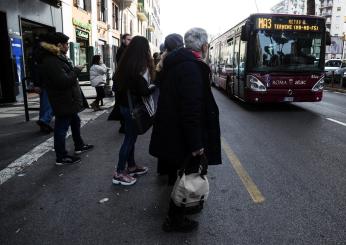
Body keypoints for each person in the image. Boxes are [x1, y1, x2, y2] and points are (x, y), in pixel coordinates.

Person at [149, 28, 222, 232]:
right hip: (182, 135)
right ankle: (175, 218)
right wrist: (197, 144)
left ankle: (178, 214)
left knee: (182, 174)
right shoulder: (191, 68)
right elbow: (191, 110)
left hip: (174, 131)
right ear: (204, 46)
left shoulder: (179, 63)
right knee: (187, 174)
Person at [39, 32, 93, 165]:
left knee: (75, 121)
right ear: (59, 45)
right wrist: (76, 70)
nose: (68, 47)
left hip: (67, 99)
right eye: (66, 44)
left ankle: (79, 145)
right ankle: (61, 156)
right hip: (63, 100)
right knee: (61, 128)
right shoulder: (52, 61)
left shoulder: (57, 57)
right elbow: (63, 81)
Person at [112, 36, 156, 185]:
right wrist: (153, 87)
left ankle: (131, 166)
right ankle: (118, 172)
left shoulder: (125, 63)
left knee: (131, 138)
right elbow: (144, 91)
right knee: (129, 140)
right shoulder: (138, 67)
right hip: (132, 108)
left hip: (125, 107)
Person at [31, 35, 54, 133]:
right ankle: (44, 121)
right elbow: (37, 68)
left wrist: (36, 83)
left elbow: (34, 67)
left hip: (41, 81)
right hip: (47, 81)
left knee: (44, 104)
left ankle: (43, 124)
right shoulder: (44, 52)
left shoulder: (36, 51)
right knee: (52, 103)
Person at [113, 33, 132, 133]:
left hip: (122, 81)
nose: (130, 41)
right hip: (121, 82)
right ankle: (124, 125)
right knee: (123, 103)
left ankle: (123, 125)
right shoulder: (122, 51)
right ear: (123, 40)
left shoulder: (126, 50)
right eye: (128, 39)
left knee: (123, 103)